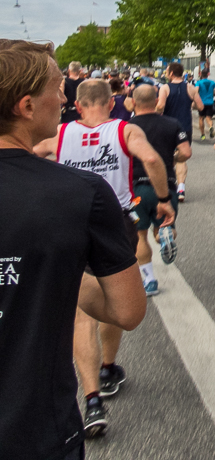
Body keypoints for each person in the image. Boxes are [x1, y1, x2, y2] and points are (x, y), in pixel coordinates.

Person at [0, 41, 146, 460]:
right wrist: (58, 273)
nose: (65, 97)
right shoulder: (81, 195)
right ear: (27, 106)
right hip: (35, 429)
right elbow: (128, 310)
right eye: (58, 87)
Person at [34, 79, 172, 439]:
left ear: (77, 107)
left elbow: (26, 156)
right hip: (114, 224)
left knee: (81, 315)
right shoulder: (125, 129)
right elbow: (153, 158)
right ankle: (109, 367)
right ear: (112, 104)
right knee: (113, 299)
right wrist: (164, 198)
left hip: (69, 223)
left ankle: (92, 398)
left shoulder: (61, 135)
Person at [130, 85, 189, 296]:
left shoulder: (127, 126)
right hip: (167, 185)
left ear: (133, 102)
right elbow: (186, 152)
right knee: (164, 223)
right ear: (156, 101)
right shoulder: (172, 123)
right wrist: (170, 159)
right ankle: (165, 236)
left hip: (136, 189)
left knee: (139, 235)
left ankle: (150, 280)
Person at [156, 62, 203, 201]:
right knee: (181, 158)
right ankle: (181, 188)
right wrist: (189, 105)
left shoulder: (165, 88)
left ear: (171, 73)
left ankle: (167, 186)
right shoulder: (191, 88)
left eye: (166, 71)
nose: (165, 73)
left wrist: (154, 112)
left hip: (168, 127)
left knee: (166, 157)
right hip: (185, 128)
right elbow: (200, 106)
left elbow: (161, 106)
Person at [195, 68, 215, 140]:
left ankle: (203, 135)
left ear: (201, 74)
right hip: (210, 102)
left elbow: (196, 91)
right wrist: (211, 93)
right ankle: (211, 127)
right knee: (208, 118)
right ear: (208, 74)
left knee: (201, 118)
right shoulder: (212, 82)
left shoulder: (198, 82)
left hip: (202, 103)